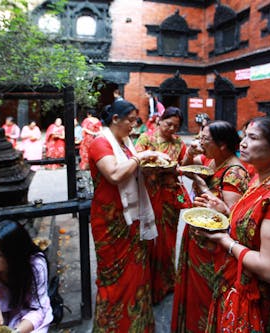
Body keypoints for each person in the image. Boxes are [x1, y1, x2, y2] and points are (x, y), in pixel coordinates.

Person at [197, 116, 270, 332]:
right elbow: (252, 226)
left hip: (258, 304)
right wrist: (225, 211)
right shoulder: (260, 179)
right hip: (238, 286)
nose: (242, 143)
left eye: (252, 138)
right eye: (244, 136)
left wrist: (226, 241)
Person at [88, 99, 170, 332]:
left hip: (132, 218)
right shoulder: (100, 143)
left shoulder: (124, 142)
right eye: (131, 121)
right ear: (115, 119)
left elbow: (133, 171)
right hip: (110, 220)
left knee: (136, 273)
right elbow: (114, 174)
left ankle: (137, 325)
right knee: (112, 278)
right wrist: (140, 158)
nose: (134, 126)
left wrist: (150, 162)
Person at [171, 120, 250, 333]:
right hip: (199, 232)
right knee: (194, 290)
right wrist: (190, 152)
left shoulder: (234, 172)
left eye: (205, 139)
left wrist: (204, 188)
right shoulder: (213, 160)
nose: (201, 142)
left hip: (213, 244)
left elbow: (234, 217)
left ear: (222, 144)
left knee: (206, 293)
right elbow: (185, 169)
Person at [135, 106, 192, 304]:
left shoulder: (178, 142)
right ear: (159, 120)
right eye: (168, 124)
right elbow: (136, 164)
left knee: (168, 240)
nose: (171, 130)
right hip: (149, 193)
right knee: (150, 238)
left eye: (175, 127)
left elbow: (183, 165)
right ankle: (149, 283)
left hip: (169, 195)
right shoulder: (145, 139)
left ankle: (167, 282)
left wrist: (189, 156)